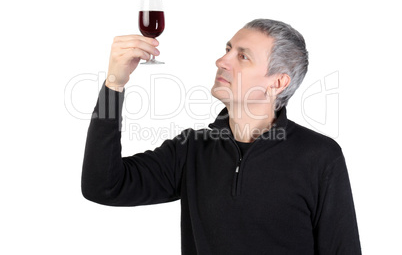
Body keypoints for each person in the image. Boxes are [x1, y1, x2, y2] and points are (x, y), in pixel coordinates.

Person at [82, 19, 362, 254]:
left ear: (277, 83)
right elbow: (104, 186)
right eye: (228, 49)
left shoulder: (320, 156)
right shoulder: (192, 149)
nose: (221, 60)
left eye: (243, 56)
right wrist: (114, 85)